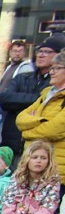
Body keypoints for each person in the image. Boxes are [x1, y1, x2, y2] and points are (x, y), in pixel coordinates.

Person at [0, 35, 63, 162]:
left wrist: (19, 105)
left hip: (41, 154)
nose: (41, 55)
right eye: (40, 51)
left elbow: (52, 127)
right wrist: (37, 99)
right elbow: (4, 99)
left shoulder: (55, 85)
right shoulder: (23, 77)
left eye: (47, 52)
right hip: (11, 146)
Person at [15, 50, 65, 180]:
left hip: (57, 173)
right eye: (52, 68)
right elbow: (20, 119)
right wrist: (43, 120)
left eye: (57, 68)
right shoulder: (46, 94)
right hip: (32, 171)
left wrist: (26, 133)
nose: (52, 72)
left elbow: (53, 130)